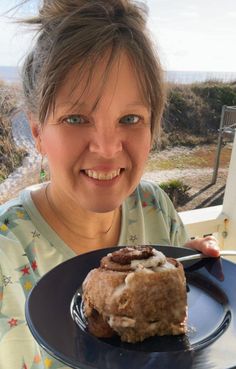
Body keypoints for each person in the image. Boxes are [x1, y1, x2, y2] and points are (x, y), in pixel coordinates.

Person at [0, 1, 220, 368]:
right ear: (37, 131)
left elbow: (181, 349)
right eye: (75, 118)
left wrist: (188, 278)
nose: (106, 148)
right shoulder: (7, 251)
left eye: (130, 117)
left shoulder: (154, 206)